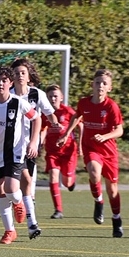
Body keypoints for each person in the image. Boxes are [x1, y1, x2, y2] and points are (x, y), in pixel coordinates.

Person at [57, 69, 124, 237]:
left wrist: (105, 136)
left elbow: (119, 130)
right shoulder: (84, 103)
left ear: (109, 88)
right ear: (92, 85)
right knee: (94, 172)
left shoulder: (111, 106)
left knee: (112, 190)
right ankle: (98, 201)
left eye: (104, 83)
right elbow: (76, 117)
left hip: (109, 151)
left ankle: (116, 219)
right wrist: (66, 134)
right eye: (97, 82)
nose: (100, 86)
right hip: (91, 148)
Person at [0, 66, 38, 245]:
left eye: (4, 80)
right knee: (0, 191)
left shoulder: (18, 102)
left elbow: (36, 118)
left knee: (11, 189)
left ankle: (18, 203)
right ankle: (9, 231)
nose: (0, 83)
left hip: (15, 153)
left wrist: (33, 142)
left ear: (10, 83)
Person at [9, 58, 58, 239]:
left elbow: (49, 113)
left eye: (23, 72)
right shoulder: (8, 95)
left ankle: (28, 220)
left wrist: (55, 123)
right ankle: (30, 223)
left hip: (31, 146)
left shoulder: (37, 94)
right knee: (25, 183)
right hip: (11, 146)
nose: (20, 76)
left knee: (27, 186)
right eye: (16, 73)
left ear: (29, 76)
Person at [41, 84, 83, 219]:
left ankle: (71, 181)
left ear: (61, 97)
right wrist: (39, 142)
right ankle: (58, 210)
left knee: (66, 183)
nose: (53, 99)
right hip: (52, 151)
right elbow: (42, 129)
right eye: (50, 97)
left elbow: (80, 125)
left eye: (55, 96)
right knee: (53, 176)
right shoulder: (45, 113)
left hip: (68, 152)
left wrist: (81, 145)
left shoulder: (67, 111)